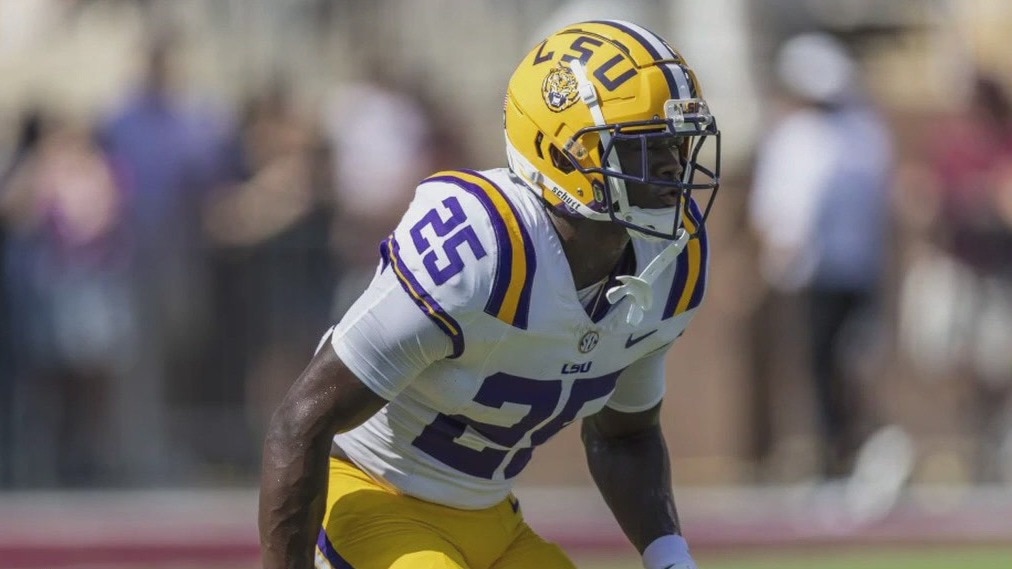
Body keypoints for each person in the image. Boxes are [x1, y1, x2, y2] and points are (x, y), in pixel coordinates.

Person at [259, 20, 720, 569]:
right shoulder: (484, 246)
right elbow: (300, 421)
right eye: (646, 146)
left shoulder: (670, 260)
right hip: (368, 498)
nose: (673, 165)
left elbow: (625, 436)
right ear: (565, 154)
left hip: (492, 520)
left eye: (677, 142)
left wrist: (670, 557)